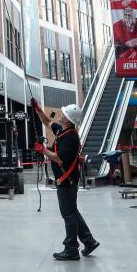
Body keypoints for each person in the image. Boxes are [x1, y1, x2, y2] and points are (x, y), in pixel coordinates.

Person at [32, 99, 100, 261]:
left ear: (68, 120)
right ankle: (89, 241)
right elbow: (47, 122)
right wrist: (38, 109)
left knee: (68, 214)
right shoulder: (62, 131)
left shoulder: (70, 138)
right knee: (72, 211)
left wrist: (43, 151)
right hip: (67, 180)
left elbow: (58, 158)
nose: (61, 115)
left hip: (67, 180)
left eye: (64, 114)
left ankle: (71, 249)